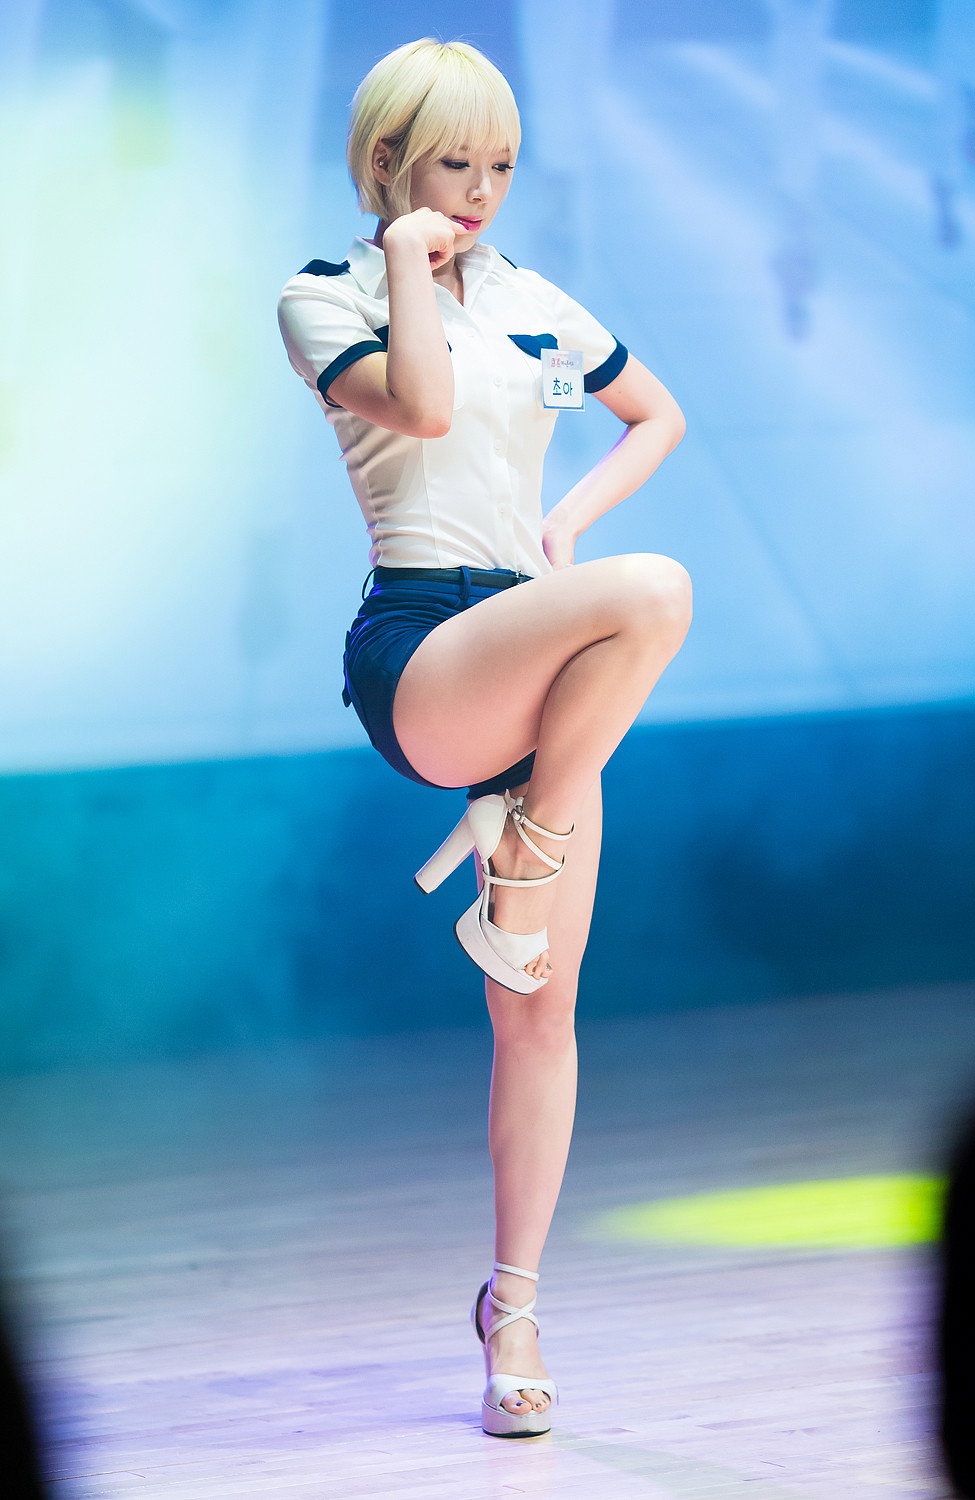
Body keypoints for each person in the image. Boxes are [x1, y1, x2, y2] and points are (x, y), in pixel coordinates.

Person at [277, 37, 690, 1438]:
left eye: (502, 165)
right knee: (655, 590)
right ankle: (529, 841)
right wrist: (407, 256)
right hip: (424, 648)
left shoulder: (530, 297)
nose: (480, 190)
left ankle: (512, 1312)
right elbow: (427, 408)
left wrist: (565, 519)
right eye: (455, 163)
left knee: (542, 1014)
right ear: (389, 160)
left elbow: (656, 414)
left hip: (538, 654)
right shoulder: (324, 295)